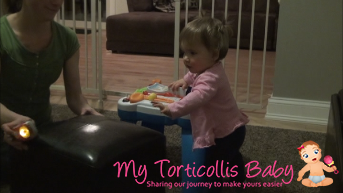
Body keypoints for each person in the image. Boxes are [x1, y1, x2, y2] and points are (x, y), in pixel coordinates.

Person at [0, 0, 101, 185]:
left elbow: (76, 98)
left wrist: (90, 114)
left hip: (41, 134)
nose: (57, 2)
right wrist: (17, 121)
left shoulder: (67, 38)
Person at [152, 17, 249, 192]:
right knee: (230, 157)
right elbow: (193, 75)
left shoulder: (211, 78)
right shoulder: (206, 68)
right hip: (229, 128)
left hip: (227, 133)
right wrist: (184, 80)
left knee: (213, 167)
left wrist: (173, 108)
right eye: (184, 52)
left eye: (193, 53)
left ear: (214, 54)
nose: (186, 58)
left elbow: (198, 97)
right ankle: (237, 171)